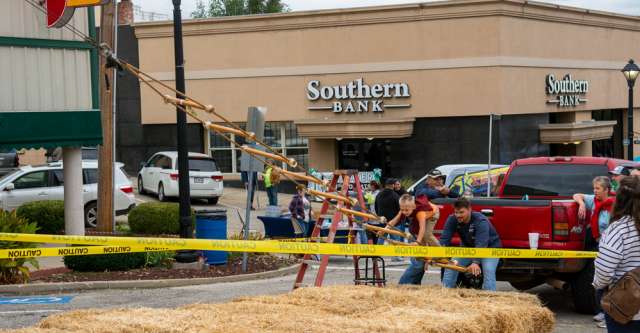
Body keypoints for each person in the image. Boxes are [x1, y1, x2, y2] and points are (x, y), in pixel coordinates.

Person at [593, 176, 640, 332]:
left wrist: (598, 286)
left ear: (619, 199)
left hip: (625, 307)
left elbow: (603, 274)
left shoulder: (618, 230)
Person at [573, 176, 615, 327]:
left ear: (607, 190)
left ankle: (609, 316)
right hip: (598, 246)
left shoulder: (615, 205)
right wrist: (582, 204)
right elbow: (576, 195)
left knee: (610, 282)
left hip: (612, 247)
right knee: (599, 281)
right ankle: (602, 312)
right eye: (594, 188)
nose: (594, 191)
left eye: (598, 189)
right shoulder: (594, 201)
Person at [441, 197, 501, 291]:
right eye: (456, 212)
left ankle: (490, 297)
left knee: (488, 270)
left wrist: (475, 262)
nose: (458, 215)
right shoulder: (452, 219)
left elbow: (482, 243)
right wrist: (440, 256)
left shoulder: (480, 221)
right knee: (451, 266)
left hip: (490, 249)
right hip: (468, 248)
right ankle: (445, 293)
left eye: (461, 212)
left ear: (469, 210)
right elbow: (445, 238)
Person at [382, 194, 440, 284]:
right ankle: (424, 258)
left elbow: (422, 228)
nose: (404, 212)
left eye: (406, 210)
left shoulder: (420, 213)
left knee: (426, 235)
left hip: (433, 213)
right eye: (402, 210)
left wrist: (417, 241)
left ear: (413, 206)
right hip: (421, 215)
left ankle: (440, 252)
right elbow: (395, 220)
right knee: (412, 230)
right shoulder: (404, 209)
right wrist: (385, 229)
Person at [373, 178, 400, 245]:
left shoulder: (379, 194)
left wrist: (379, 216)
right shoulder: (395, 196)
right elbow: (399, 209)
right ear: (393, 185)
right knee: (395, 240)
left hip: (382, 220)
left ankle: (378, 254)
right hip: (394, 222)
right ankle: (397, 255)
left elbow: (376, 207)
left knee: (381, 238)